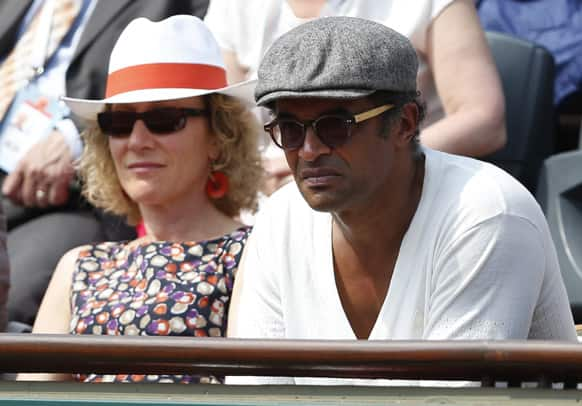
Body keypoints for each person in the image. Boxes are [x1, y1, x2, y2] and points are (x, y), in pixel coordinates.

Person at [226, 16, 577, 386]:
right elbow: (257, 392)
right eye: (290, 130)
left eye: (335, 126)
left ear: (405, 123)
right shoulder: (279, 219)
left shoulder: (486, 213)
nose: (309, 151)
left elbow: (449, 402)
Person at [21, 14, 263, 383]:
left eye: (165, 119)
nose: (137, 140)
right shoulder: (80, 267)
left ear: (219, 135)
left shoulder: (253, 254)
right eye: (118, 123)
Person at [0, 0, 209, 328]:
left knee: (9, 302)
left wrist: (77, 134)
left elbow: (193, 80)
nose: (139, 137)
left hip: (73, 199)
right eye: (123, 124)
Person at [204, 0, 506, 193]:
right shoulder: (232, 6)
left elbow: (483, 119)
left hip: (403, 194)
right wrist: (261, 177)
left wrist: (371, 166)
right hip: (267, 196)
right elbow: (225, 124)